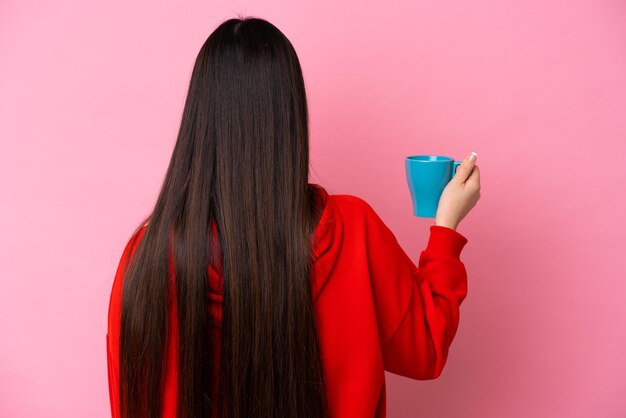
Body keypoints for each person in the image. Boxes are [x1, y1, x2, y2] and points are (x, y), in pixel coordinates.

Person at [106, 16, 481, 418]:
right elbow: (425, 347)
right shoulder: (354, 230)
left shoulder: (144, 260)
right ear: (291, 117)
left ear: (199, 121)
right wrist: (446, 228)